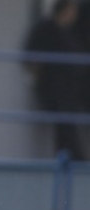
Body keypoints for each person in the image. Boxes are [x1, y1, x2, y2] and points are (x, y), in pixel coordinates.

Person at [24, 0, 87, 161]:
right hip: (53, 88)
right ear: (64, 10)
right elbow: (31, 57)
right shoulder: (46, 29)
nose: (74, 15)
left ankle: (71, 157)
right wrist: (37, 78)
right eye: (72, 10)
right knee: (64, 124)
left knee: (68, 123)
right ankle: (73, 158)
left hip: (70, 90)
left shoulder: (69, 31)